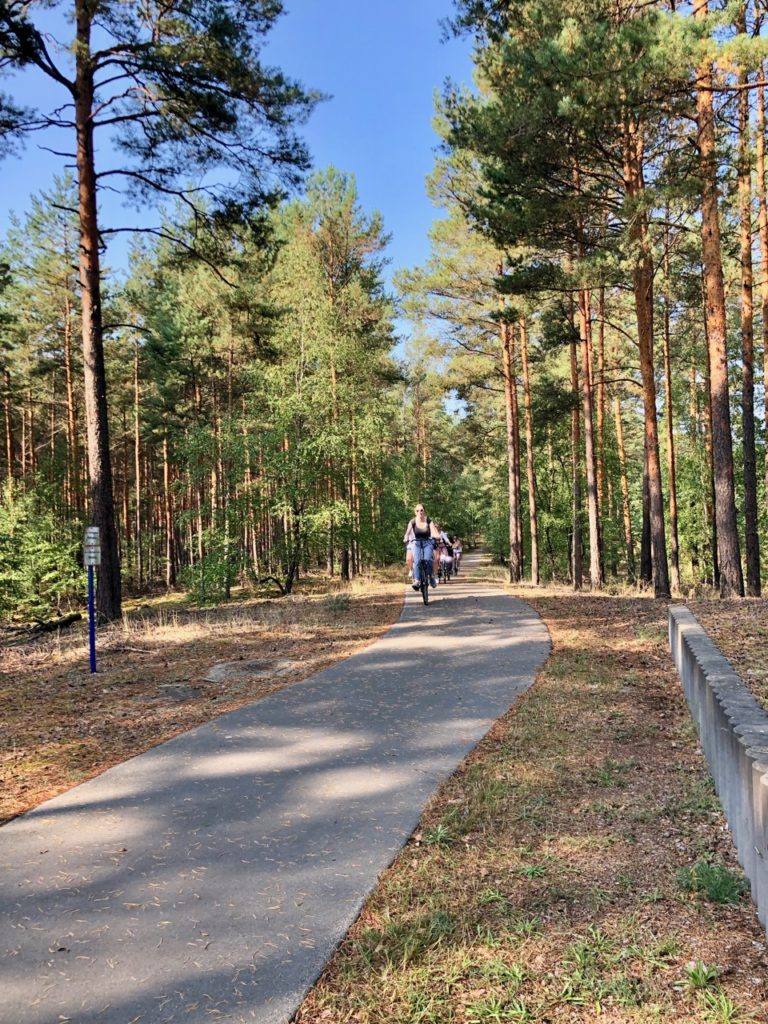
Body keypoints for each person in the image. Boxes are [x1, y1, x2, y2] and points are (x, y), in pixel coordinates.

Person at [403, 504, 440, 589]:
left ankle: (431, 577)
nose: (420, 512)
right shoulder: (412, 521)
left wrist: (437, 536)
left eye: (421, 510)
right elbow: (407, 533)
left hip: (427, 542)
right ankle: (417, 581)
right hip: (416, 543)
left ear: (424, 511)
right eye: (417, 510)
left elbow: (434, 531)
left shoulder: (428, 520)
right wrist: (405, 538)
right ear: (415, 512)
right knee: (417, 561)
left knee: (428, 559)